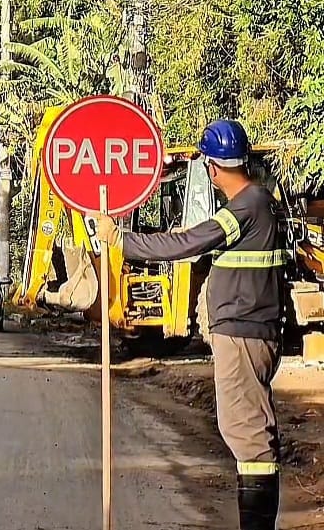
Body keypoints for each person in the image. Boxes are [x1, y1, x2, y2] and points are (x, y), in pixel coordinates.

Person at [93, 119, 283, 530]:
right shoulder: (261, 202)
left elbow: (187, 243)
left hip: (243, 334)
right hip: (253, 331)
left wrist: (119, 239)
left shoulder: (244, 208)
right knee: (248, 433)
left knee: (248, 437)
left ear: (213, 169)